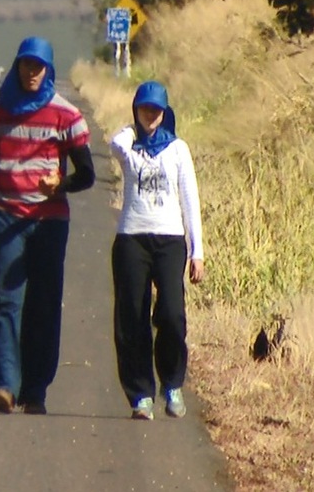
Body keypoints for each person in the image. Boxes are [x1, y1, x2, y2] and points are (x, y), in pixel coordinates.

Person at [0, 36, 95, 415]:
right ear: (17, 66)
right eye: (26, 66)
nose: (31, 73)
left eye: (39, 67)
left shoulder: (67, 116)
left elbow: (86, 176)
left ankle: (35, 390)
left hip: (49, 223)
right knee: (6, 301)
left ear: (48, 71)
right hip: (7, 217)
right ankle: (3, 386)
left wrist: (59, 184)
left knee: (43, 306)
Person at [109, 80, 205, 421]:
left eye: (156, 109)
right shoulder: (130, 146)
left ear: (165, 113)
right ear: (136, 110)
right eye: (144, 108)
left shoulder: (178, 149)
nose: (150, 115)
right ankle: (140, 394)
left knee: (171, 314)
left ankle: (172, 384)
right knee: (131, 317)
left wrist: (198, 252)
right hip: (132, 238)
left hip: (169, 241)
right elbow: (114, 144)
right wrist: (132, 130)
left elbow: (190, 200)